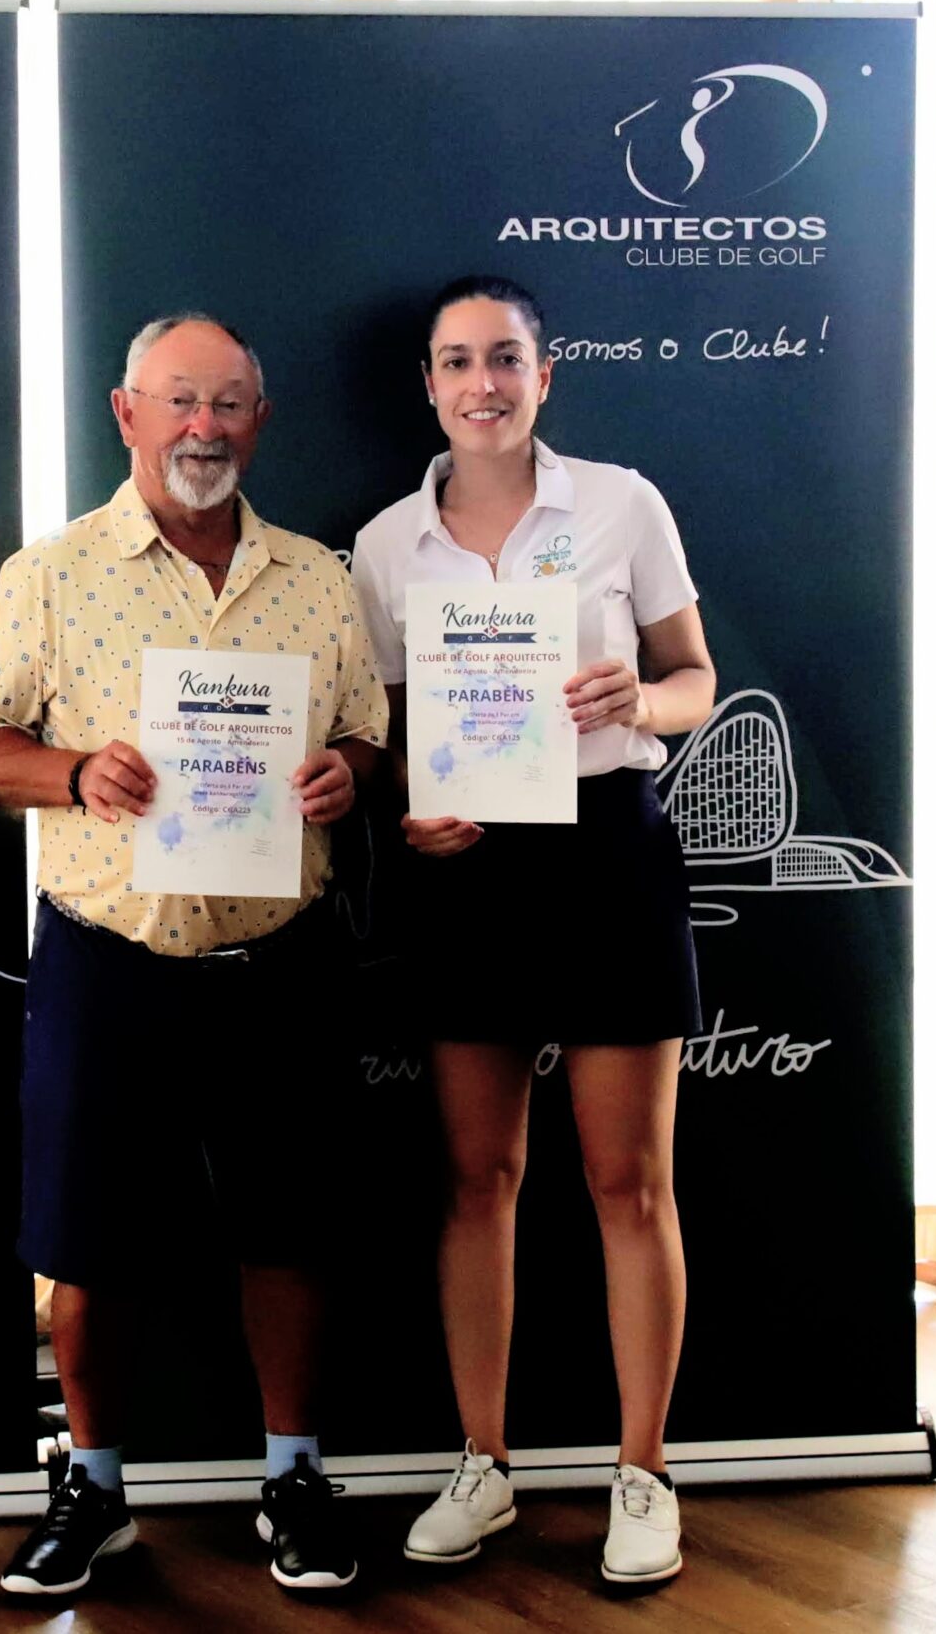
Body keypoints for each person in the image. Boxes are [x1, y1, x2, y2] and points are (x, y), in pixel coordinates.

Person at [0, 314, 388, 1597]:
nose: (204, 426)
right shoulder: (52, 573)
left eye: (228, 402)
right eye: (179, 399)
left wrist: (345, 777)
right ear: (125, 412)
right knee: (86, 1237)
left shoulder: (317, 578)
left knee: (290, 1229)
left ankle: (293, 1476)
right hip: (109, 959)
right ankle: (94, 1489)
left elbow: (367, 732)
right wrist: (76, 771)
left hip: (280, 958)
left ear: (260, 420)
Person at [348, 276, 715, 1587]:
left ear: (543, 375)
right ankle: (485, 1461)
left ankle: (644, 1470)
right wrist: (412, 805)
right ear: (429, 385)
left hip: (609, 851)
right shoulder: (385, 544)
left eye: (504, 358)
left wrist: (642, 701)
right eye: (456, 361)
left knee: (629, 1181)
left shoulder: (623, 502)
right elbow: (392, 733)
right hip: (472, 872)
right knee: (478, 1177)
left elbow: (695, 676)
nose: (482, 383)